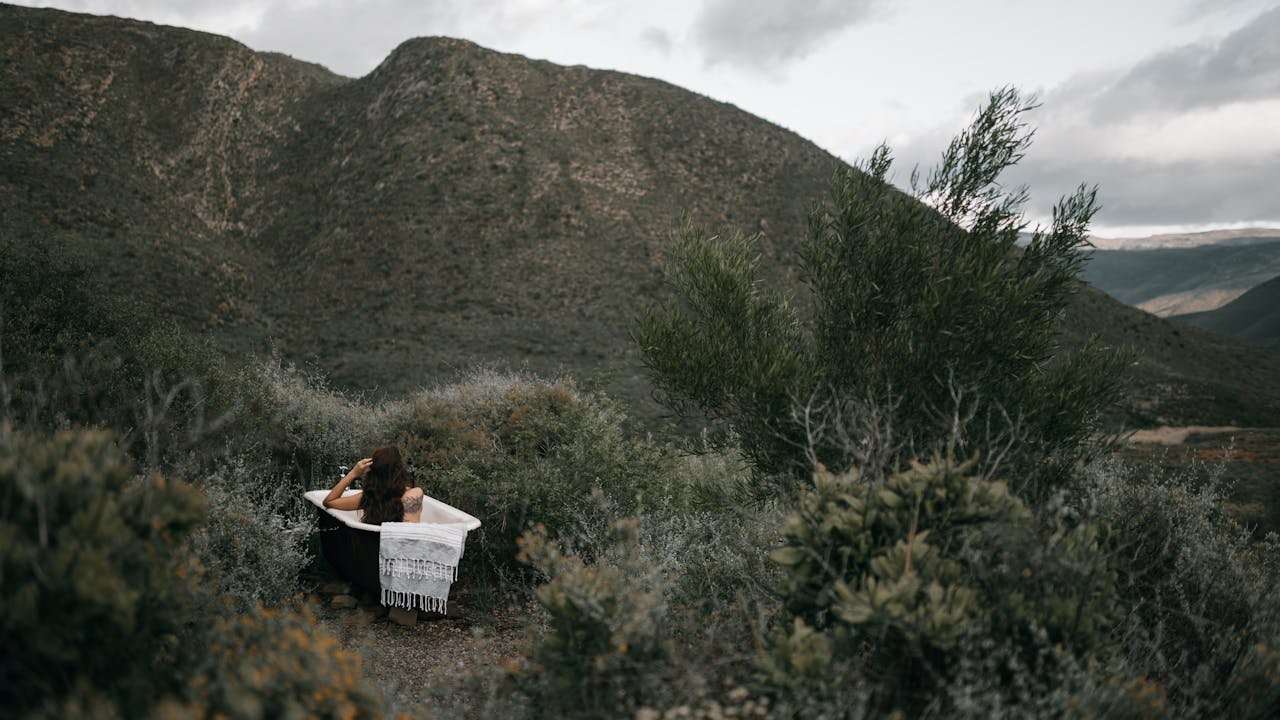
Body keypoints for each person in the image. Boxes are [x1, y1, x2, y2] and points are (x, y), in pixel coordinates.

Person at [323, 445, 424, 523]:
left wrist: (353, 473)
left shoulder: (368, 497)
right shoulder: (414, 494)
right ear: (399, 470)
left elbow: (329, 501)